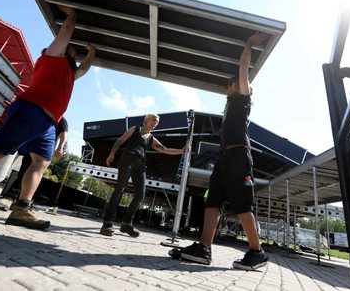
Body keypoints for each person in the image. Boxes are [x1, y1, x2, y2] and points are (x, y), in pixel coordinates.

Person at [0, 6, 96, 230]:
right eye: (73, 49)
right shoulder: (52, 57)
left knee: (41, 162)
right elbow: (67, 30)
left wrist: (92, 52)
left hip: (47, 124)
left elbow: (84, 69)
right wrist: (72, 14)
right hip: (31, 110)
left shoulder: (69, 75)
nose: (75, 51)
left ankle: (21, 208)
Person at [169, 32, 269, 270]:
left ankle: (257, 252)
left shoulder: (243, 100)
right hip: (223, 159)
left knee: (242, 205)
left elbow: (243, 66)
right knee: (212, 201)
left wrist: (249, 43)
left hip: (238, 157)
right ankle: (204, 249)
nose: (228, 86)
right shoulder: (229, 104)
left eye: (231, 84)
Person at [100, 114, 186, 238]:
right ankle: (107, 223)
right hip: (127, 161)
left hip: (140, 165)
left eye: (157, 122)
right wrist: (112, 153)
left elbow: (165, 149)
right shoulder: (134, 129)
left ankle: (126, 223)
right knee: (120, 190)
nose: (155, 123)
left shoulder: (151, 138)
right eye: (154, 120)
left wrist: (181, 151)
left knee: (140, 195)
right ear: (146, 121)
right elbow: (120, 140)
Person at [0, 117, 68, 211]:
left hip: (43, 151)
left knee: (25, 174)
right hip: (31, 148)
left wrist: (60, 147)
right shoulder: (44, 116)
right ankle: (17, 201)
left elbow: (64, 134)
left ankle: (10, 199)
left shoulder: (61, 119)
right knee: (23, 173)